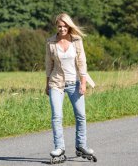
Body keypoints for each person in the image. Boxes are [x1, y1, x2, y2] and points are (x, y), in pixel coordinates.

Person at [45, 13, 97, 164]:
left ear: (69, 26)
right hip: (56, 83)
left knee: (81, 115)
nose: (62, 29)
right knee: (57, 116)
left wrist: (83, 82)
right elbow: (49, 65)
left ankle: (81, 145)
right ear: (56, 27)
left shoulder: (77, 40)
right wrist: (47, 84)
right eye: (59, 26)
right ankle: (59, 148)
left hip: (75, 83)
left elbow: (82, 62)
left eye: (65, 26)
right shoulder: (50, 42)